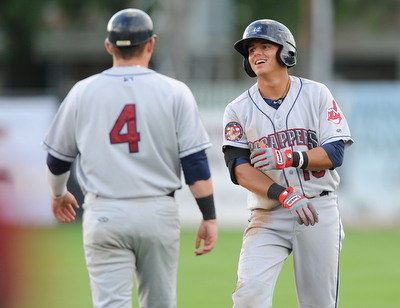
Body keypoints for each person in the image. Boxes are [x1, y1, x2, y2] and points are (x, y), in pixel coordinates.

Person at [42, 8, 218, 308]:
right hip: (158, 211)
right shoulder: (175, 91)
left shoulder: (83, 91)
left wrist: (58, 194)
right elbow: (195, 165)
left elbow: (57, 160)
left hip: (105, 211)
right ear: (151, 44)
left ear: (109, 46)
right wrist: (209, 216)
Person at [222, 19, 353, 308]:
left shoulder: (316, 94)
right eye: (251, 49)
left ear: (285, 52)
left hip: (318, 208)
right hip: (269, 213)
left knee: (318, 303)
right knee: (247, 297)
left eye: (265, 46)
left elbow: (335, 153)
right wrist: (283, 193)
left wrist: (287, 157)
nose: (256, 53)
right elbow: (239, 169)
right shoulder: (238, 109)